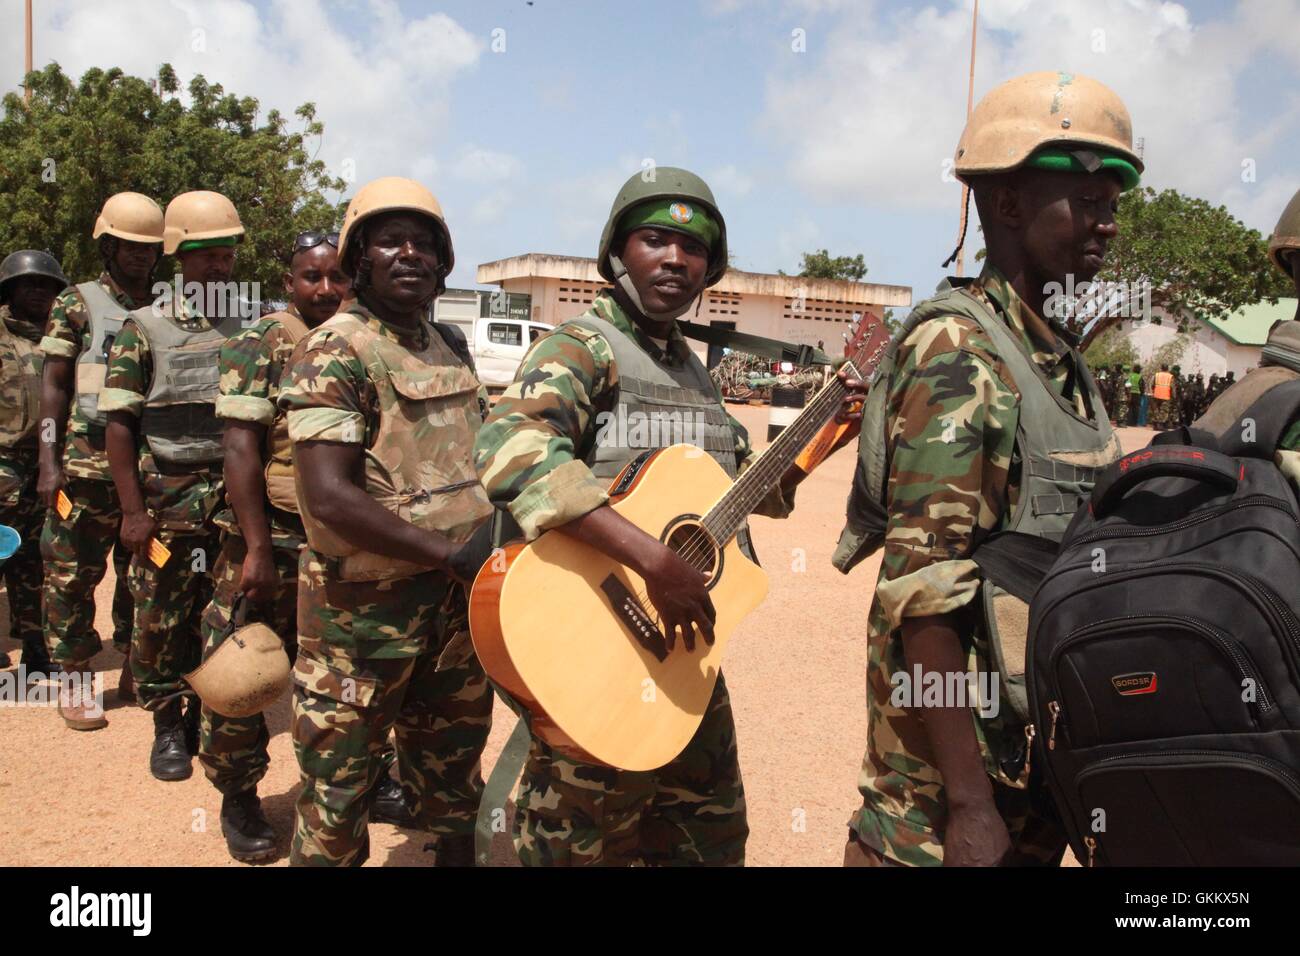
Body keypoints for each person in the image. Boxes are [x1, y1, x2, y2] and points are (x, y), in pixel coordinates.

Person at [473, 167, 868, 866]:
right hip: (599, 649)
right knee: (578, 848)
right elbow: (512, 449)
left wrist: (826, 428)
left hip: (683, 658)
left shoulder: (694, 375)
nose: (675, 260)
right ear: (618, 253)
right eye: (655, 240)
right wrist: (655, 561)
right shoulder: (582, 348)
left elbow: (748, 492)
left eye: (694, 249)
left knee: (710, 843)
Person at [834, 71, 1137, 866]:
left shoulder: (1061, 363)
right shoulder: (959, 354)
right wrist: (967, 807)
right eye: (1086, 201)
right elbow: (920, 595)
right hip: (940, 812)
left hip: (1033, 780)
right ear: (1006, 206)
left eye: (1113, 204)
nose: (1106, 225)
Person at [278, 177, 494, 867]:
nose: (410, 254)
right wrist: (449, 554)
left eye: (424, 242)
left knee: (455, 775)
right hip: (359, 625)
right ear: (360, 257)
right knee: (338, 797)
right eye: (390, 240)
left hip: (454, 615)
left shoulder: (448, 344)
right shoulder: (333, 350)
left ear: (443, 259)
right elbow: (331, 498)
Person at [196, 230, 350, 861]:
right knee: (247, 671)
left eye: (338, 276)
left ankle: (356, 787)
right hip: (274, 544)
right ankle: (237, 795)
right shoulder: (261, 342)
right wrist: (256, 549)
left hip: (341, 545)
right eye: (312, 277)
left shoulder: (361, 339)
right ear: (290, 283)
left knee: (348, 676)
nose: (326, 289)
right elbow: (239, 448)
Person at [101, 190, 249, 780]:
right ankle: (166, 722)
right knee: (159, 617)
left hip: (233, 507)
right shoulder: (144, 329)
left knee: (223, 616)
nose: (217, 265)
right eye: (204, 253)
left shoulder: (249, 323)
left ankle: (207, 713)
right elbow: (118, 425)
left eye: (226, 253)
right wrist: (132, 512)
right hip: (167, 504)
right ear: (177, 256)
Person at [37, 193, 162, 727]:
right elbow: (54, 387)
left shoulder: (170, 304)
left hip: (149, 466)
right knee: (71, 574)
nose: (139, 255)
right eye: (128, 245)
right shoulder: (76, 303)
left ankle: (138, 667)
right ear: (107, 245)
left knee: (147, 574)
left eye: (149, 247)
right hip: (84, 468)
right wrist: (47, 459)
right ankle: (77, 677)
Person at [0, 250, 67, 676]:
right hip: (2, 462)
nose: (39, 291)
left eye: (46, 284)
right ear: (10, 289)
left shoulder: (61, 339)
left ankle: (36, 649)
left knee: (36, 559)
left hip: (47, 463)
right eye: (30, 284)